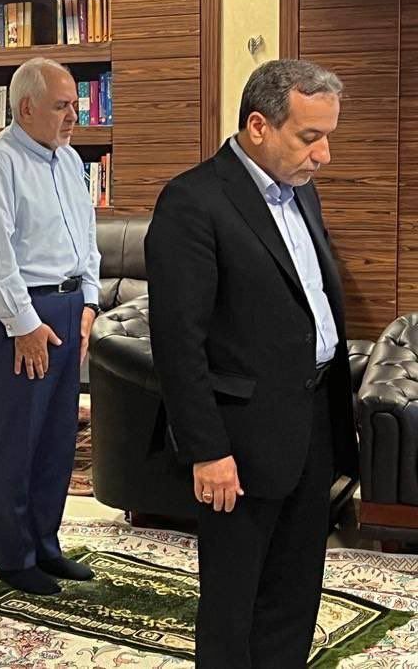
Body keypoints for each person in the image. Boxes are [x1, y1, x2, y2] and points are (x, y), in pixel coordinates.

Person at [145, 59, 359, 668]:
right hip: (239, 441)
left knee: (295, 594)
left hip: (311, 420)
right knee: (234, 605)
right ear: (259, 125)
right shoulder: (193, 201)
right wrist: (207, 450)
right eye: (310, 137)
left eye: (328, 137)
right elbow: (178, 343)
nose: (323, 156)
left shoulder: (302, 191)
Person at [0, 57, 100, 596]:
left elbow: (86, 238)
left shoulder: (68, 160)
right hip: (19, 313)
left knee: (58, 438)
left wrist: (88, 304)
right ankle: (14, 557)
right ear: (25, 108)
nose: (73, 116)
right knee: (19, 439)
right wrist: (24, 325)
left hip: (66, 310)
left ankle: (46, 542)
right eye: (62, 106)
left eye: (75, 105)